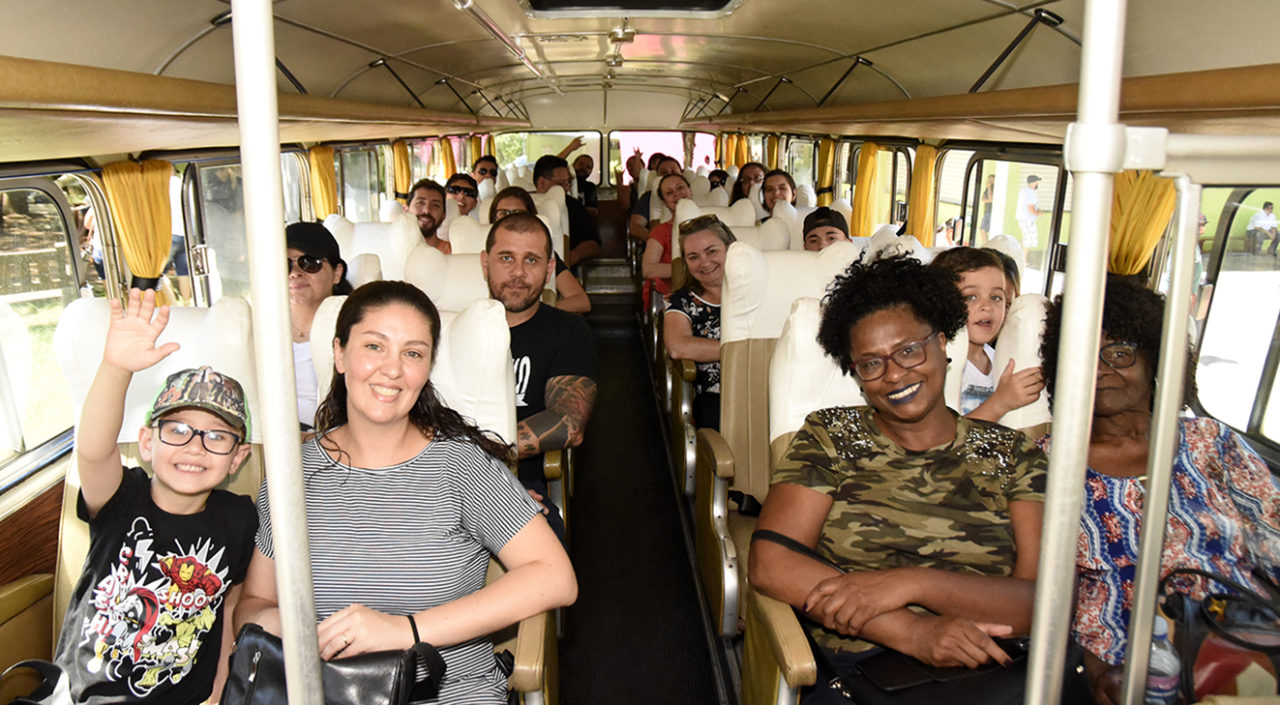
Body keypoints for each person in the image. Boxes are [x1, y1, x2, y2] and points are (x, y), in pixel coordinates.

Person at [235, 281, 576, 704]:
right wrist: (287, 624)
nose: (392, 369)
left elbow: (555, 577)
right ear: (339, 354)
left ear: (427, 368)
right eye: (374, 347)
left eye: (412, 353)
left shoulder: (462, 466)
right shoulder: (294, 475)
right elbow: (254, 602)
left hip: (442, 693)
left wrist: (406, 630)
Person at [749, 255, 1047, 704]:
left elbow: (1037, 602)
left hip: (994, 669)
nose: (893, 375)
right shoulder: (832, 435)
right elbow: (772, 561)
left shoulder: (1014, 454)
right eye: (871, 364)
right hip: (866, 671)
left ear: (943, 343)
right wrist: (913, 630)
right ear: (857, 377)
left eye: (909, 350)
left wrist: (913, 583)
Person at [1038, 275, 1280, 705]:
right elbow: (1045, 593)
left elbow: (1273, 535)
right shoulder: (1046, 463)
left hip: (1244, 636)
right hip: (1124, 666)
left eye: (1118, 353)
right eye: (1084, 356)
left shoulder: (1212, 443)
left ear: (1154, 360)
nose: (1100, 371)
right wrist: (1093, 670)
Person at [56, 288, 257, 704]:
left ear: (237, 458)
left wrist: (221, 688)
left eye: (217, 436)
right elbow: (93, 450)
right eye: (177, 430)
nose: (195, 446)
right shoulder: (122, 496)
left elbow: (229, 605)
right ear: (147, 442)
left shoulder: (239, 517)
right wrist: (116, 367)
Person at [482, 212, 599, 540]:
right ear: (485, 262)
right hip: (444, 479)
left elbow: (568, 422)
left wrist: (481, 461)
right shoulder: (448, 329)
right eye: (506, 258)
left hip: (520, 480)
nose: (517, 272)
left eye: (531, 260)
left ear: (549, 270)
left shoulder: (569, 331)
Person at [929, 247, 1043, 422]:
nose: (987, 306)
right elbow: (944, 436)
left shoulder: (1001, 359)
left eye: (996, 297)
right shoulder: (938, 364)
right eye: (971, 297)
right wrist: (1001, 402)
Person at [663, 214, 734, 431]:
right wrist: (744, 353)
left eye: (712, 251)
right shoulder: (683, 300)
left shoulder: (760, 290)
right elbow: (677, 346)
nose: (704, 262)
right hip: (717, 395)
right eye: (693, 257)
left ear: (730, 249)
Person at [287, 222, 353, 430]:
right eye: (285, 264)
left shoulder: (355, 330)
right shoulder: (257, 331)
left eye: (310, 263)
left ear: (336, 272)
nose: (295, 273)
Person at [488, 186, 591, 314]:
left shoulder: (541, 256)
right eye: (503, 213)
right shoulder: (473, 252)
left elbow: (582, 301)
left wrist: (535, 313)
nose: (509, 219)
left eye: (517, 213)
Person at [532, 155, 600, 268]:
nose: (567, 188)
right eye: (561, 183)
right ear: (541, 183)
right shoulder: (523, 203)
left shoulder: (574, 206)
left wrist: (567, 260)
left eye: (568, 183)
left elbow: (594, 244)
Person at [641, 172, 693, 309]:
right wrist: (691, 269)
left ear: (690, 190)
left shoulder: (713, 225)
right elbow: (648, 269)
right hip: (671, 292)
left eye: (680, 188)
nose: (676, 194)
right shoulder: (661, 231)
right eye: (669, 193)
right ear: (665, 203)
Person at [629, 155, 684, 242]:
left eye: (673, 171)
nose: (669, 175)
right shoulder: (648, 197)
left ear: (682, 174)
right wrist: (655, 242)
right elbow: (635, 226)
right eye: (664, 172)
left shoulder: (692, 195)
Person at [408, 179, 451, 254]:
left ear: (443, 215)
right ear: (406, 210)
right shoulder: (391, 253)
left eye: (435, 205)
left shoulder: (454, 252)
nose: (427, 210)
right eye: (420, 203)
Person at [1015, 175, 1042, 254]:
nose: (1038, 184)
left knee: (1026, 239)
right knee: (1028, 241)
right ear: (1034, 183)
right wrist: (1039, 213)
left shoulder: (1023, 191)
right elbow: (1030, 209)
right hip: (1028, 219)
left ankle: (1014, 251)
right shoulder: (1031, 193)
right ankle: (1024, 260)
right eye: (1037, 182)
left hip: (1022, 219)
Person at [980, 174, 995, 238]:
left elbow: (991, 200)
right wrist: (988, 199)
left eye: (992, 180)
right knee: (983, 229)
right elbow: (983, 199)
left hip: (990, 212)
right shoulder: (987, 189)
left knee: (983, 229)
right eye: (989, 180)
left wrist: (989, 188)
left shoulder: (993, 189)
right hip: (986, 211)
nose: (990, 181)